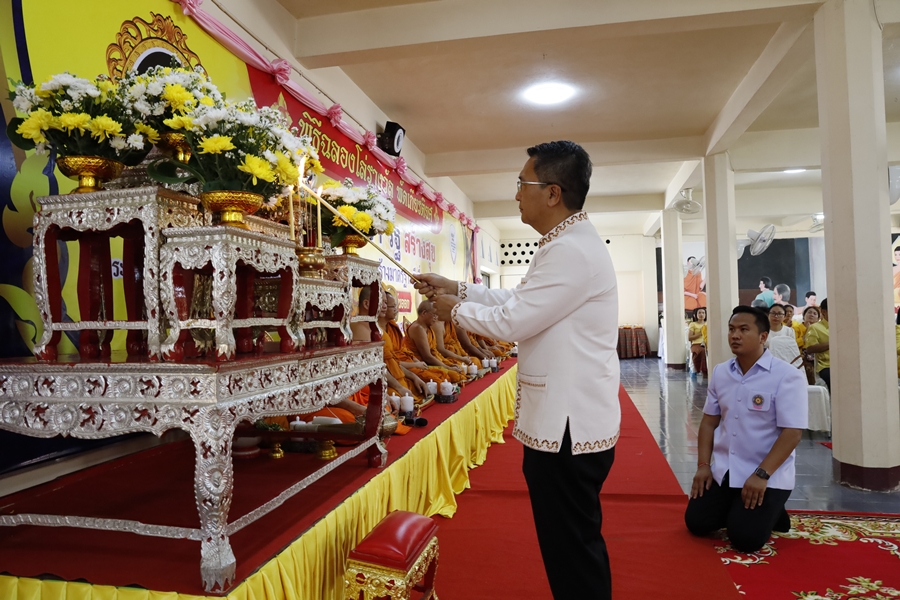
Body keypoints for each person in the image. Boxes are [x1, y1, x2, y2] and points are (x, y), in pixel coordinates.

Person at [415, 140, 620, 599]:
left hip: (568, 427)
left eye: (522, 183)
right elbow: (519, 300)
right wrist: (457, 289)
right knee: (570, 544)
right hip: (566, 420)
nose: (516, 195)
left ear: (553, 193)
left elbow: (514, 320)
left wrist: (453, 311)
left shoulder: (571, 250)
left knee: (572, 548)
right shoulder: (565, 243)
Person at [684, 306, 808, 553]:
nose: (735, 335)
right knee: (697, 523)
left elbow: (792, 433)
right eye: (731, 329)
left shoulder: (786, 376)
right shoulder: (721, 372)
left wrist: (762, 474)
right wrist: (703, 465)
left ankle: (774, 508)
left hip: (765, 472)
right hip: (727, 468)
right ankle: (742, 505)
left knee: (745, 539)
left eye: (743, 329)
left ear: (763, 336)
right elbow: (708, 422)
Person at [396, 300, 467, 385]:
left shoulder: (428, 328)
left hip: (431, 361)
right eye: (434, 314)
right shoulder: (418, 328)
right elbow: (427, 357)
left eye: (437, 315)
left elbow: (435, 352)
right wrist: (448, 367)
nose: (436, 318)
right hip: (421, 364)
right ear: (424, 313)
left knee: (459, 369)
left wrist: (449, 364)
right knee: (453, 376)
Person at [805, 298, 830, 390]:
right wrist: (832, 343)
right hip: (826, 366)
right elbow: (810, 348)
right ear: (824, 312)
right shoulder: (815, 327)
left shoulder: (844, 326)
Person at [688, 307, 708, 377]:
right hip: (697, 344)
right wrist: (701, 332)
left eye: (703, 313)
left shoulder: (707, 324)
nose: (701, 314)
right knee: (702, 351)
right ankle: (704, 372)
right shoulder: (693, 324)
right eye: (699, 313)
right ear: (695, 315)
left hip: (707, 343)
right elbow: (690, 338)